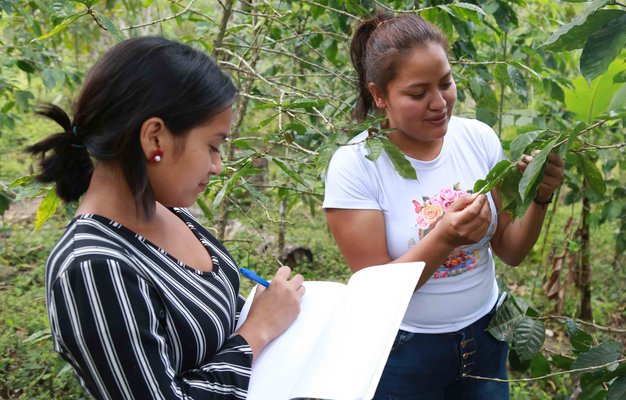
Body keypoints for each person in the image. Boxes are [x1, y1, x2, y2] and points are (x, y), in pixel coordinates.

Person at [26, 36, 305, 399]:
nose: (218, 166)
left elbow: (210, 329)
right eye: (212, 146)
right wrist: (258, 331)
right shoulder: (93, 269)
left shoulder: (167, 211)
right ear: (155, 138)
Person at [323, 12, 565, 399]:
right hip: (404, 351)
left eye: (446, 83)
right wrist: (445, 236)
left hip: (485, 337)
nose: (439, 103)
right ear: (379, 95)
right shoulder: (356, 167)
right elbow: (376, 294)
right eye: (418, 94)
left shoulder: (478, 139)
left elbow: (511, 250)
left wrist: (540, 195)